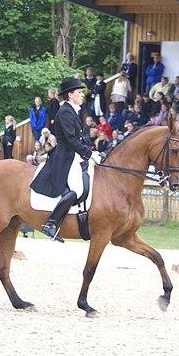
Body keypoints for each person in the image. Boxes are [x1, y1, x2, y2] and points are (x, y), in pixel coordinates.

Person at [30, 78, 103, 242]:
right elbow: (71, 139)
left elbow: (80, 138)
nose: (82, 94)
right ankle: (51, 224)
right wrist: (90, 154)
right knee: (76, 189)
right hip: (65, 156)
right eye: (79, 92)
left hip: (74, 155)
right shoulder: (64, 112)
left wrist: (92, 152)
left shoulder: (74, 111)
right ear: (70, 95)